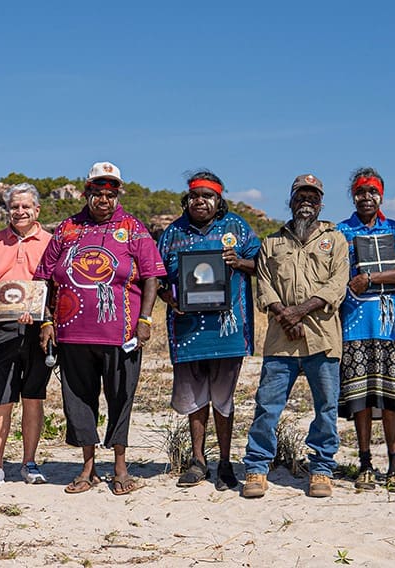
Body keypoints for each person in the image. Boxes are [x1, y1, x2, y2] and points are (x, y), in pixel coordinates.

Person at [35, 161, 166, 496]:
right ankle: (88, 467)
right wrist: (46, 321)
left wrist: (146, 319)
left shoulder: (133, 228)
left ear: (117, 194)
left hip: (121, 334)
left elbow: (151, 275)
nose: (103, 199)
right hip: (72, 333)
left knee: (121, 396)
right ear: (86, 192)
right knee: (78, 399)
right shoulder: (66, 229)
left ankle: (120, 466)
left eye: (110, 192)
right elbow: (44, 278)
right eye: (97, 192)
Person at [241, 174, 349, 499]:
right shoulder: (273, 243)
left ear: (321, 203)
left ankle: (322, 468)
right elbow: (264, 284)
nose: (307, 201)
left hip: (323, 338)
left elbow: (337, 284)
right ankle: (257, 467)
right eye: (301, 196)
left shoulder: (336, 240)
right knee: (267, 406)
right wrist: (284, 315)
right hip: (280, 339)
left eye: (313, 197)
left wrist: (299, 311)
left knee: (326, 408)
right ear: (290, 200)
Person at [156, 170, 260, 490]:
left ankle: (226, 462)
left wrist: (238, 262)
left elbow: (263, 265)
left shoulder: (237, 228)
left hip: (227, 329)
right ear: (187, 200)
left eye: (208, 196)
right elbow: (157, 277)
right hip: (187, 328)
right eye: (195, 196)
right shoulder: (173, 232)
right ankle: (199, 461)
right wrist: (170, 301)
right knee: (196, 397)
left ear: (219, 200)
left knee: (223, 398)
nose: (201, 201)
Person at [335, 168, 395, 493]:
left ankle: (394, 467)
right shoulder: (342, 231)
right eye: (360, 192)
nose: (366, 197)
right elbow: (334, 272)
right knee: (362, 399)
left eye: (372, 191)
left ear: (381, 194)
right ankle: (366, 463)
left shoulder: (394, 230)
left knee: (393, 398)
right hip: (355, 324)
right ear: (353, 196)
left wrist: (371, 279)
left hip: (391, 325)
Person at [0, 183, 53, 489]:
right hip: (0, 329)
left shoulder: (51, 242)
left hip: (39, 329)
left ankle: (29, 462)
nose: (19, 212)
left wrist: (47, 321)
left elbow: (57, 287)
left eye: (25, 207)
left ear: (37, 210)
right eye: (14, 207)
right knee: (1, 400)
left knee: (33, 398)